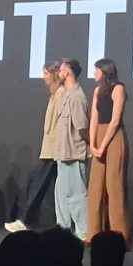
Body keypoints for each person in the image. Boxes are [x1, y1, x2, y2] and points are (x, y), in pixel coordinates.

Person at [5, 60, 65, 233]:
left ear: (55, 75)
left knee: (39, 186)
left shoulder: (61, 93)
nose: (43, 77)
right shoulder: (55, 94)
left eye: (46, 73)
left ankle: (26, 221)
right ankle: (57, 224)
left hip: (54, 150)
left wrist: (57, 147)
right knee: (50, 188)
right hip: (52, 149)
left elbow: (62, 123)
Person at [87, 58, 130, 246]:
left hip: (114, 138)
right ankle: (94, 234)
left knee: (114, 186)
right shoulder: (97, 91)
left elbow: (115, 121)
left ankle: (120, 237)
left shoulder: (118, 89)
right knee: (95, 188)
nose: (94, 73)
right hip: (98, 138)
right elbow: (93, 119)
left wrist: (103, 145)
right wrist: (92, 144)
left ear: (105, 71)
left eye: (96, 70)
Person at [54, 58, 90, 241]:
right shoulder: (67, 95)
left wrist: (92, 147)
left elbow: (82, 128)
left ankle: (84, 233)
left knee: (76, 195)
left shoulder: (76, 97)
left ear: (67, 73)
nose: (58, 73)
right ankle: (63, 233)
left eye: (60, 70)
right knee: (61, 196)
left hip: (74, 153)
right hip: (63, 154)